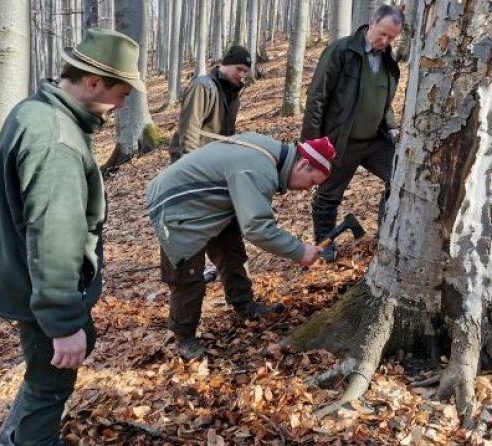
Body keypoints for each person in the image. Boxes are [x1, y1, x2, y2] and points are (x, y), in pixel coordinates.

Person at [0, 28, 144, 446]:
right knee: (47, 389)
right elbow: (52, 234)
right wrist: (62, 322)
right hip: (42, 296)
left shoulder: (33, 112)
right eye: (122, 92)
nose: (123, 104)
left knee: (41, 385)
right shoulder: (56, 139)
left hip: (29, 285)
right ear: (93, 83)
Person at [147, 133, 336, 360]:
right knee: (187, 276)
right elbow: (257, 227)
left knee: (231, 251)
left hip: (211, 202)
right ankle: (184, 337)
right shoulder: (260, 167)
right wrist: (299, 251)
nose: (308, 190)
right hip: (176, 204)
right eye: (312, 182)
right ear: (303, 164)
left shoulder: (270, 155)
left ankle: (244, 304)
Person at [301, 5, 405, 262]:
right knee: (327, 196)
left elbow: (384, 100)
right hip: (339, 141)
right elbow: (317, 97)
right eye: (382, 34)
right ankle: (325, 244)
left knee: (400, 176)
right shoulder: (342, 51)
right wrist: (311, 145)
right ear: (371, 23)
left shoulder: (389, 63)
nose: (385, 41)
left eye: (391, 38)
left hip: (374, 142)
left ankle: (386, 233)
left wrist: (391, 126)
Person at [163, 45, 252, 284]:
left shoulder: (232, 91)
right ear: (225, 63)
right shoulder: (203, 86)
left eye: (246, 71)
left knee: (230, 244)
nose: (242, 75)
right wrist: (190, 176)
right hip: (194, 177)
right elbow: (189, 133)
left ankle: (244, 304)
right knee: (192, 253)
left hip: (216, 176)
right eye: (239, 69)